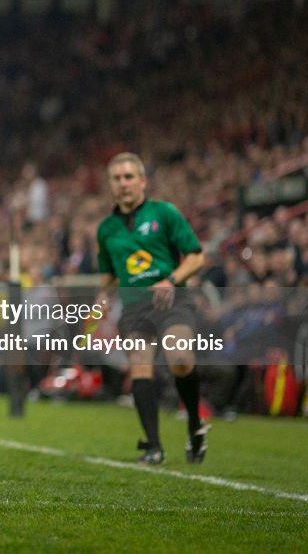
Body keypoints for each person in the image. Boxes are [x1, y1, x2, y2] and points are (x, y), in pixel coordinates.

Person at [95, 152, 208, 465]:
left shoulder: (165, 213)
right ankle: (154, 447)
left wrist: (171, 280)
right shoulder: (106, 229)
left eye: (129, 177)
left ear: (142, 181)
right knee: (141, 366)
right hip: (134, 307)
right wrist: (99, 304)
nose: (123, 184)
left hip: (173, 300)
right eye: (117, 179)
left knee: (181, 359)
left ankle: (194, 424)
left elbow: (197, 256)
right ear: (110, 185)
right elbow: (108, 275)